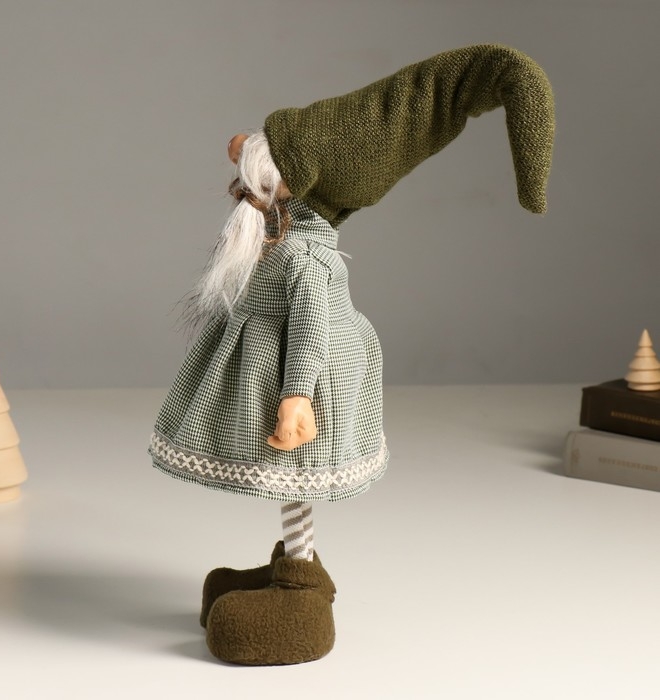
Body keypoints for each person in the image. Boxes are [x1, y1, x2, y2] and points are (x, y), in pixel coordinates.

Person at [150, 44, 555, 666]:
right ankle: (294, 566)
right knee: (287, 481)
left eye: (264, 167)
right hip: (271, 372)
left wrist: (297, 396)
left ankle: (302, 591)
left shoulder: (306, 256)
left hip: (298, 386)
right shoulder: (279, 237)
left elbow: (312, 327)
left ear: (302, 183)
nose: (243, 174)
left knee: (295, 474)